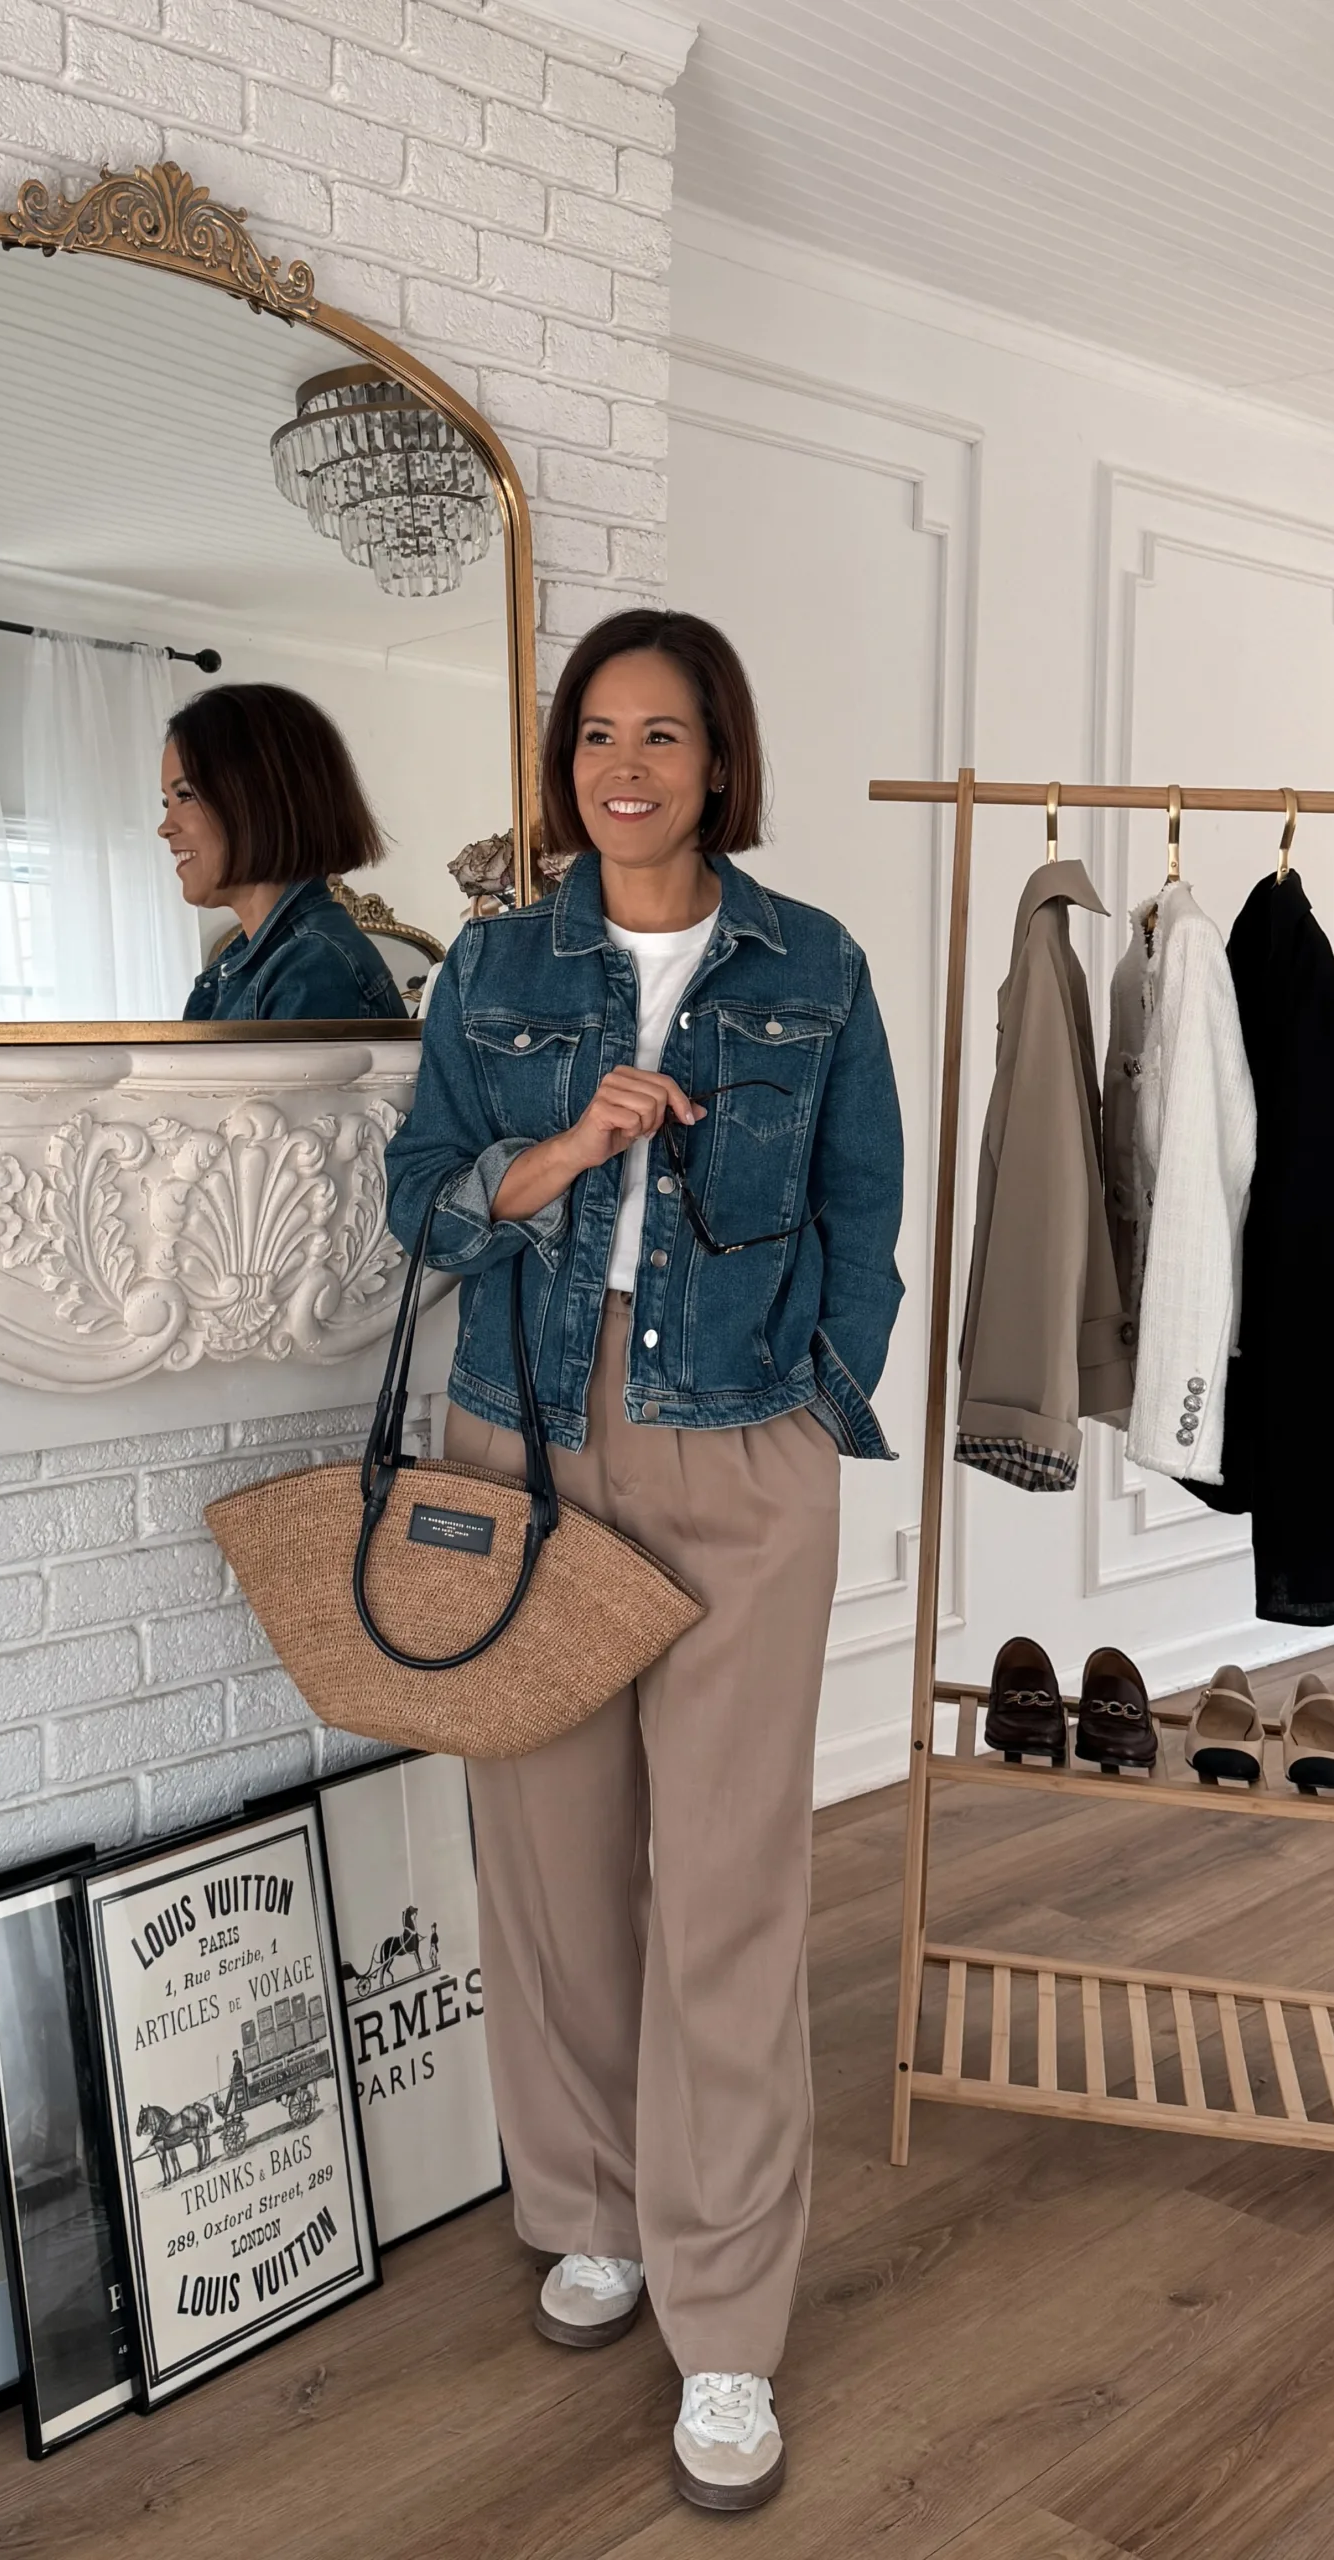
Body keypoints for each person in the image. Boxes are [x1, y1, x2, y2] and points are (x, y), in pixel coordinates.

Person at [383, 608, 904, 2515]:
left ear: (717, 761)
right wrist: (561, 1154)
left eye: (664, 736)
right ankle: (591, 2210)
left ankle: (732, 2318)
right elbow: (420, 1201)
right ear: (565, 763)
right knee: (551, 1857)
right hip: (523, 1427)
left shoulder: (815, 966)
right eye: (597, 735)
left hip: (739, 1436)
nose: (627, 767)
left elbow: (868, 1219)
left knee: (730, 1887)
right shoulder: (499, 968)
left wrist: (809, 1406)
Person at [163, 683, 409, 1022]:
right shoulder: (250, 966)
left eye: (186, 795)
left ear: (259, 799)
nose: (165, 827)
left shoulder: (313, 970)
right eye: (167, 801)